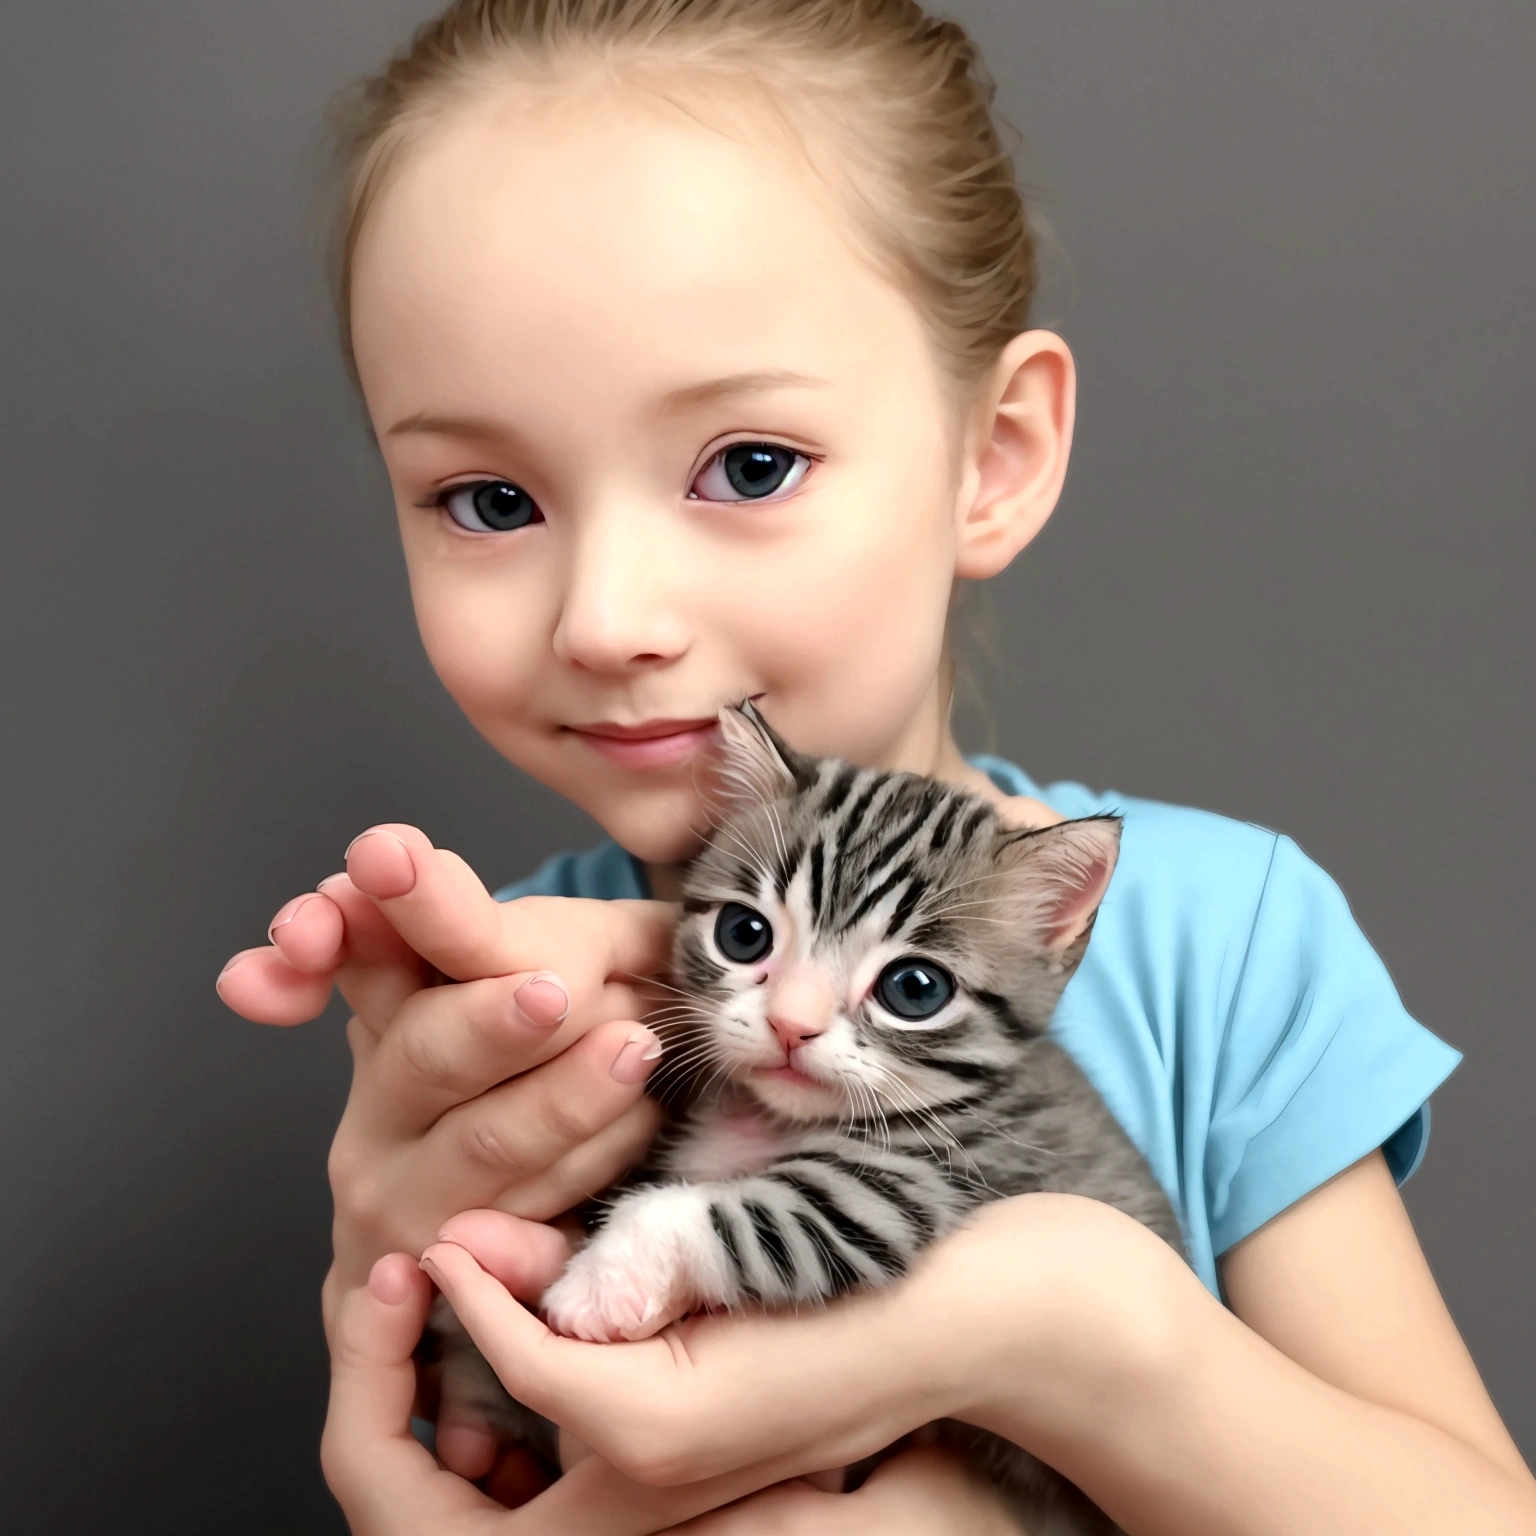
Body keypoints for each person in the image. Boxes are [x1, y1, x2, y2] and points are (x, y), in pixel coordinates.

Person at [216, 2, 1535, 1530]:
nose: (608, 619)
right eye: (490, 497)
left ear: (994, 457)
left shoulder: (1217, 938)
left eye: (750, 466)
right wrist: (413, 1315)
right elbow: (508, 1453)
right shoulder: (525, 1007)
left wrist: (1076, 1341)